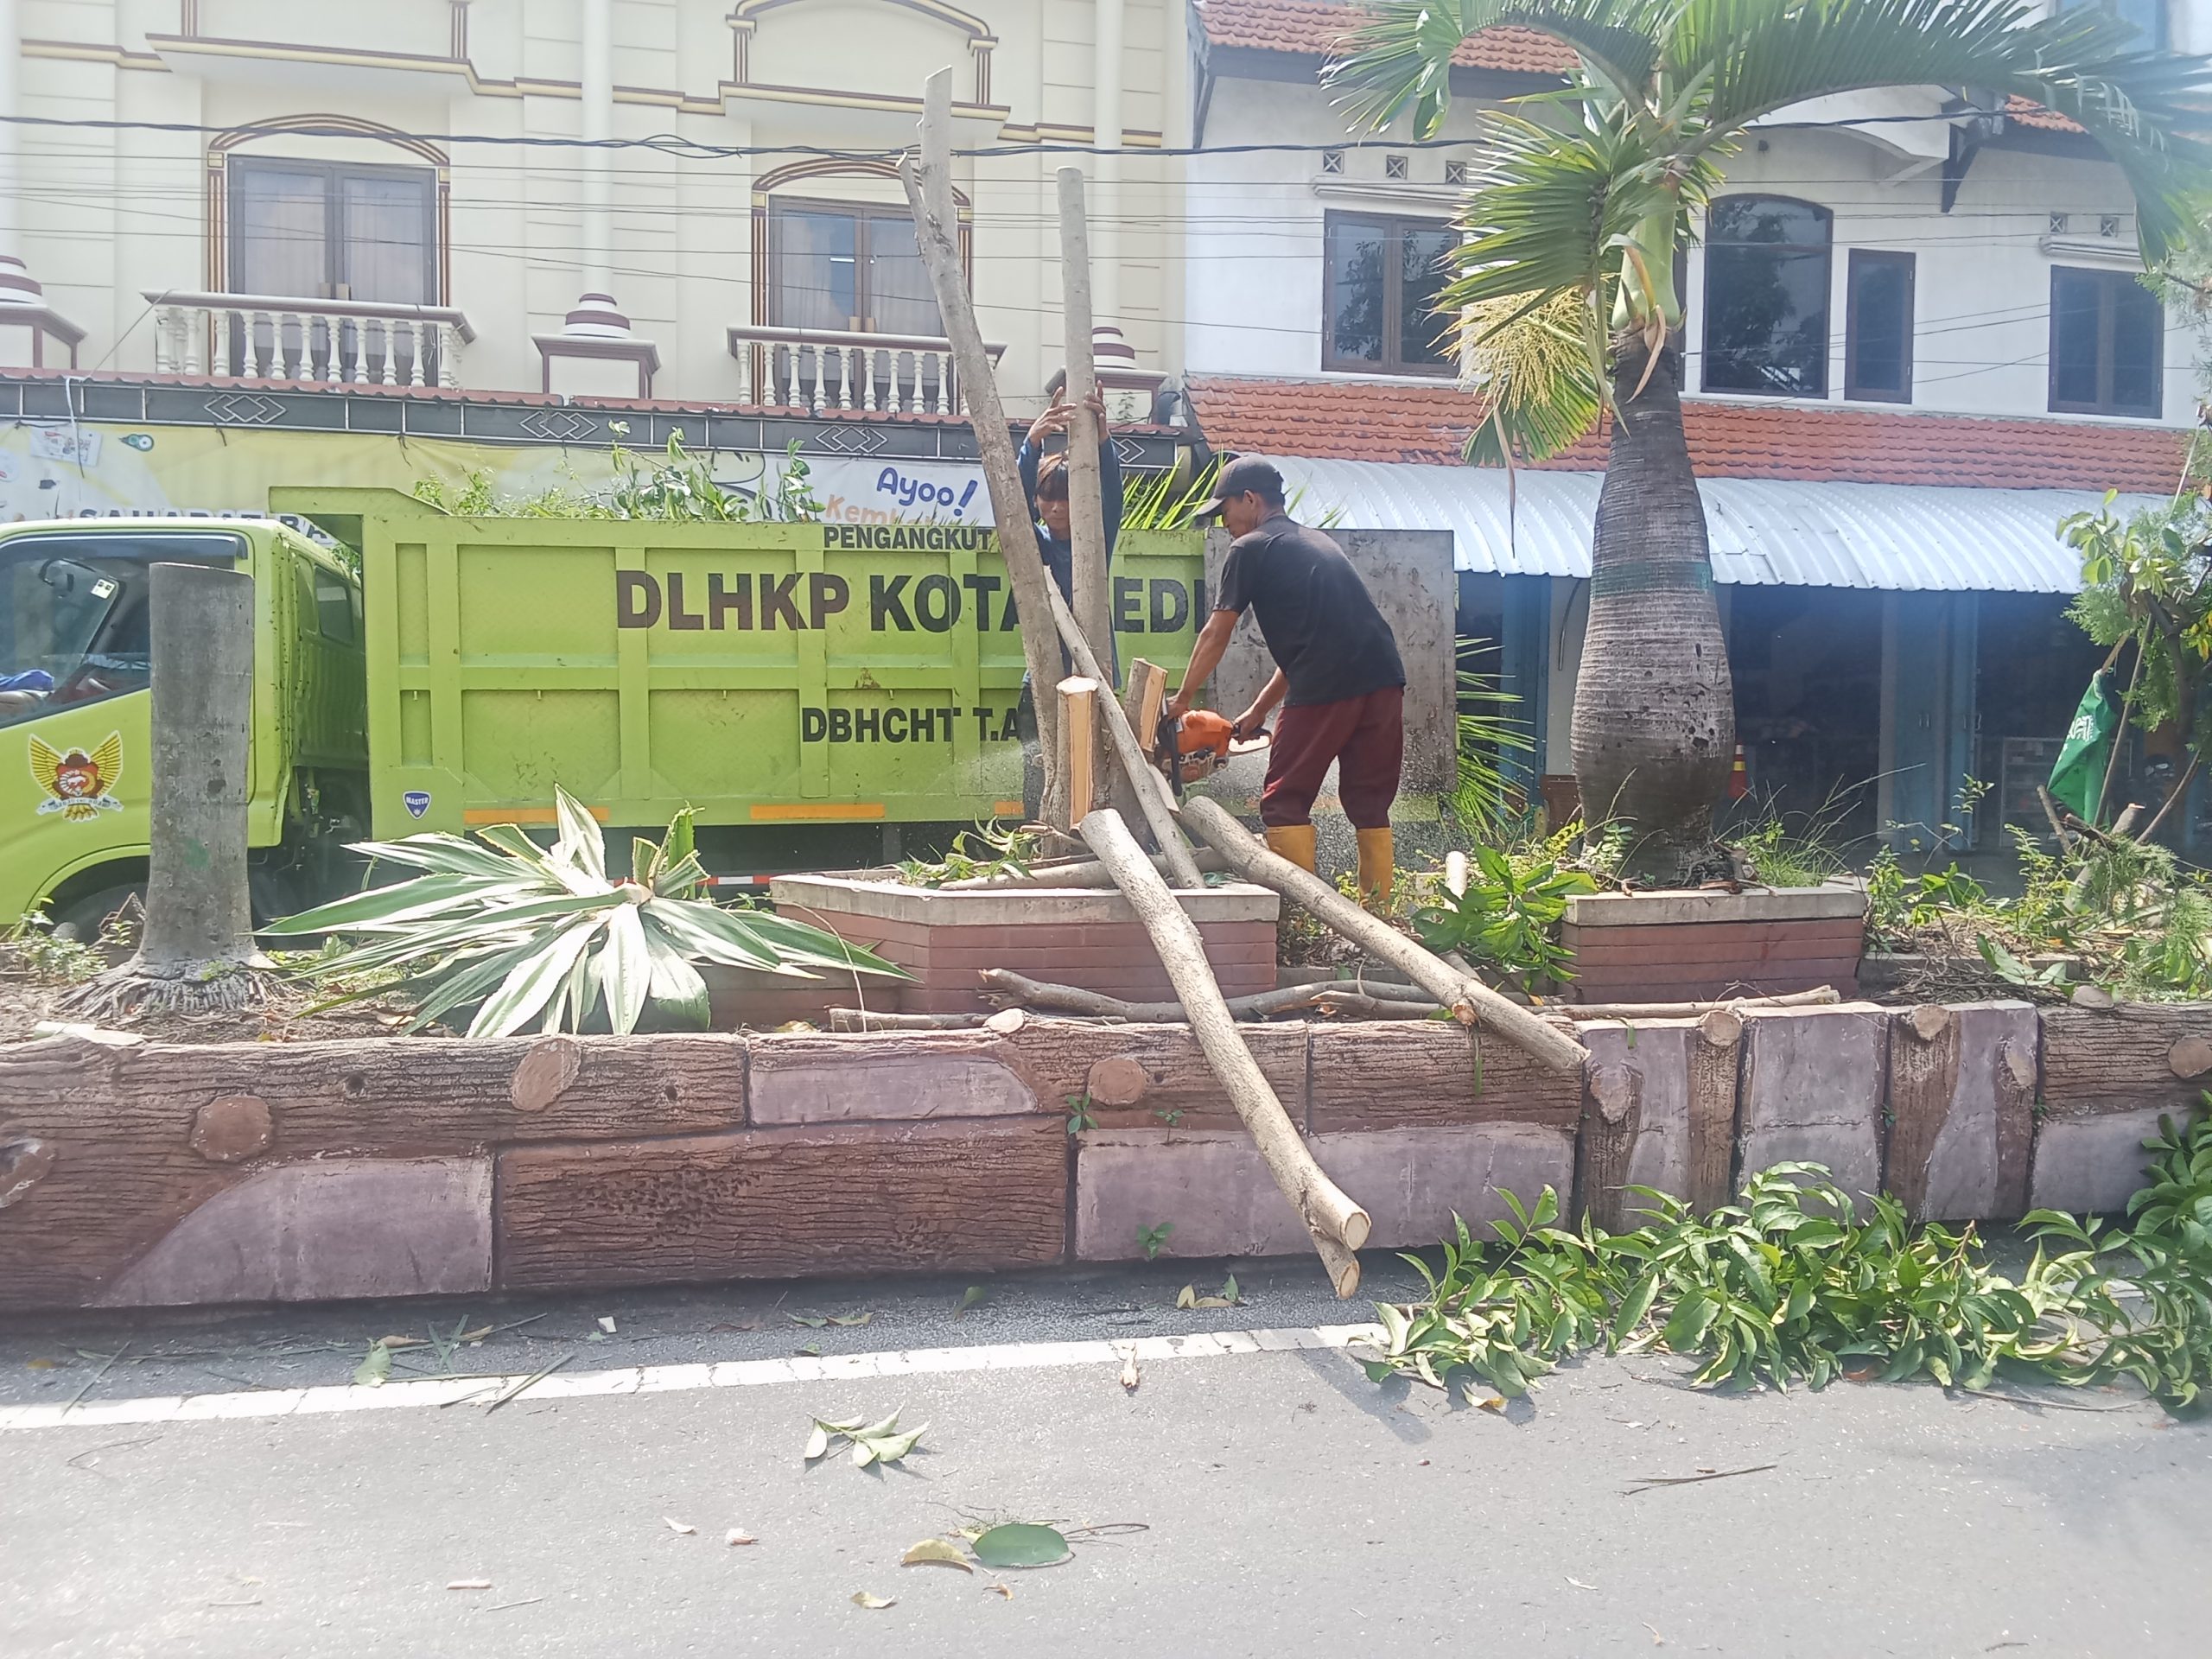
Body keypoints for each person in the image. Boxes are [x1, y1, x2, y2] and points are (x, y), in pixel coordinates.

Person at [1169, 455, 1405, 906]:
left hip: (1326, 684)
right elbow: (1310, 643)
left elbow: (1216, 631)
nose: (1225, 523)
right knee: (1369, 803)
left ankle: (1300, 917)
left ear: (1251, 499)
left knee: (1284, 803)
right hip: (1383, 677)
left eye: (1225, 511)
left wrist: (1181, 700)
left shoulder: (1250, 548)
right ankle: (1378, 916)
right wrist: (1258, 711)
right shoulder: (1315, 542)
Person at [1013, 391, 1122, 816]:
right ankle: (1041, 842)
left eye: (1066, 497)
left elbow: (1109, 497)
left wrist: (1102, 442)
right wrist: (1032, 444)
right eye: (1047, 498)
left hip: (1094, 674)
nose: (1056, 508)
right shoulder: (1031, 544)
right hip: (1042, 677)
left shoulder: (1095, 540)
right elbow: (1012, 511)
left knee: (1099, 773)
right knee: (1037, 770)